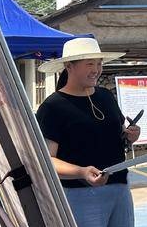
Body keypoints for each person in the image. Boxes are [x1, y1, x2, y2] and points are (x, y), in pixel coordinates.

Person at [35, 37, 141, 227]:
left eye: (99, 63)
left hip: (120, 189)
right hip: (79, 194)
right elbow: (47, 160)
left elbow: (118, 137)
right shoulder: (52, 107)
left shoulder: (106, 96)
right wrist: (81, 172)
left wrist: (131, 135)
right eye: (89, 64)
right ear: (69, 66)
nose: (96, 70)